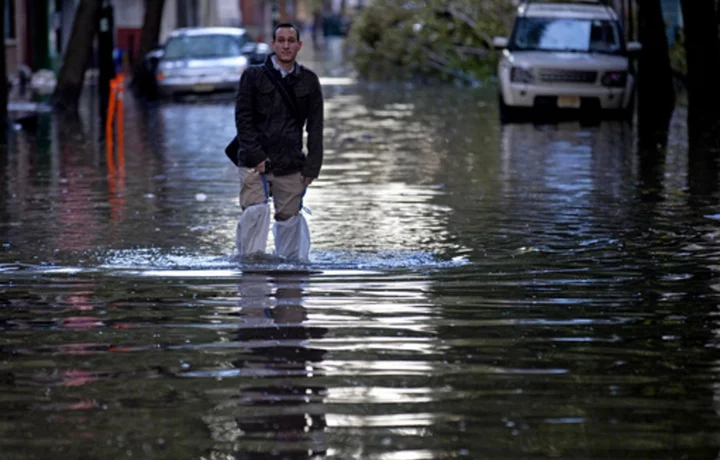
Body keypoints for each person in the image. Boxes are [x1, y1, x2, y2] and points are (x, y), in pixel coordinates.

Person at [233, 23, 324, 261]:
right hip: (254, 162)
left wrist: (312, 168)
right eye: (281, 40)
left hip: (291, 163)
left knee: (290, 221)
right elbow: (243, 119)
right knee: (255, 213)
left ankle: (291, 285)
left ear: (299, 45)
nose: (286, 45)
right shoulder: (252, 76)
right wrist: (256, 156)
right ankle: (251, 278)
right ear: (273, 44)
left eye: (291, 40)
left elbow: (316, 128)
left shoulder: (309, 81)